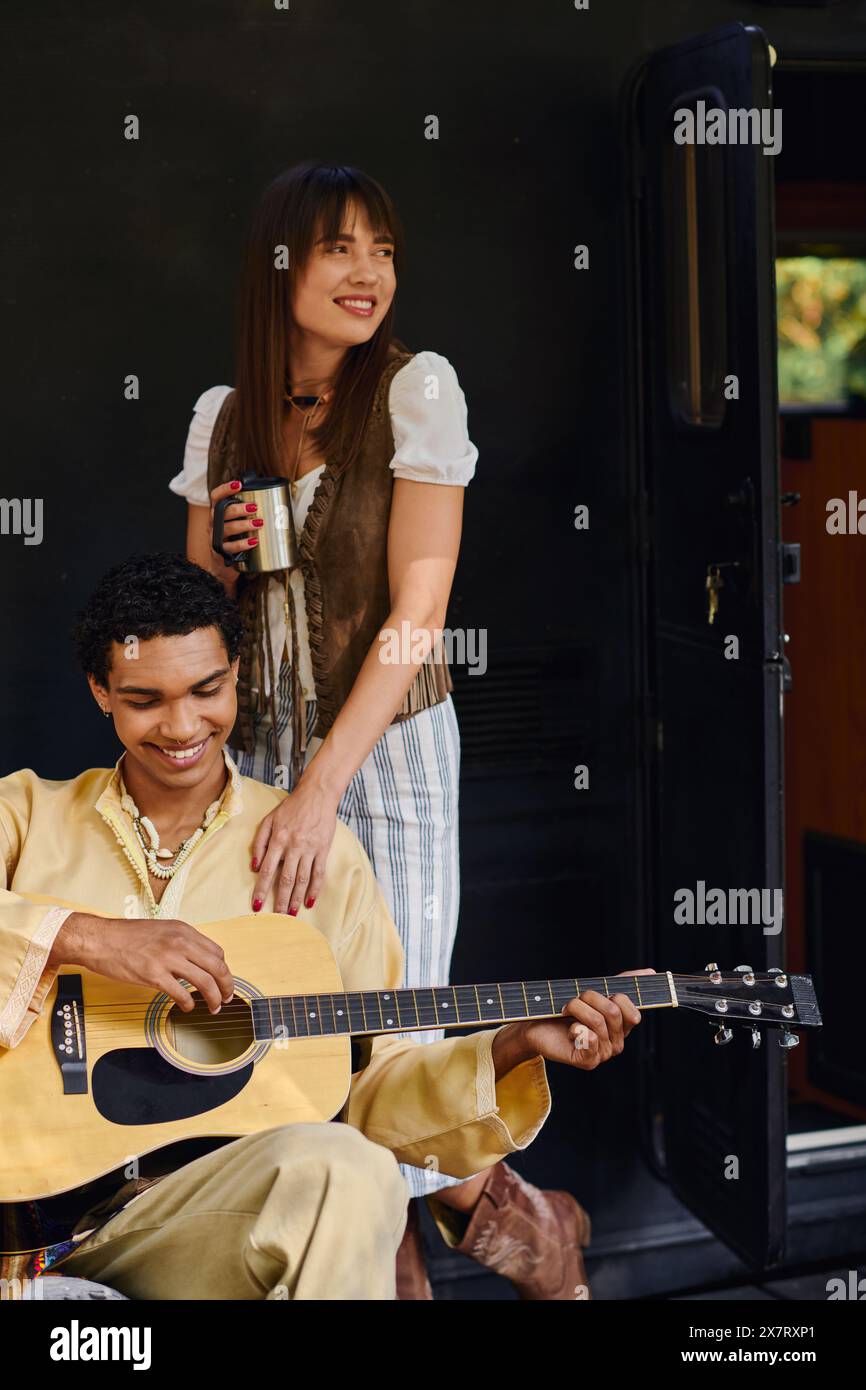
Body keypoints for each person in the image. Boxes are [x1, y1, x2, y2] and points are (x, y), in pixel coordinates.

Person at [0, 555, 649, 1300]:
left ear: (238, 672)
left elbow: (376, 1088)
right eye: (146, 699)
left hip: (193, 1227)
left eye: (207, 691)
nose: (183, 726)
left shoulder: (318, 859)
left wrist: (511, 1046)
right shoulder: (27, 815)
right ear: (100, 692)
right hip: (22, 1214)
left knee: (352, 1166)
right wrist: (91, 937)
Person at [167, 159, 584, 1293]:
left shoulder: (415, 390)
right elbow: (200, 628)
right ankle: (506, 1233)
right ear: (277, 266)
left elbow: (419, 611)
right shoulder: (221, 422)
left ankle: (493, 1259)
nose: (367, 273)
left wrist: (320, 787)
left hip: (386, 758)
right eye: (338, 248)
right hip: (252, 763)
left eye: (383, 250)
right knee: (298, 1049)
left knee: (389, 1037)